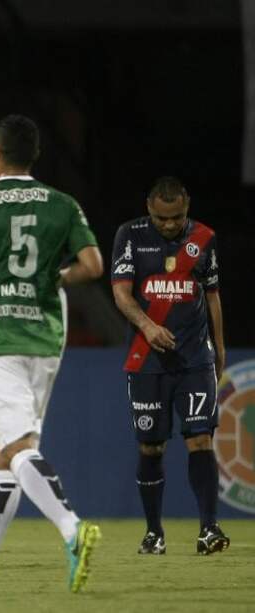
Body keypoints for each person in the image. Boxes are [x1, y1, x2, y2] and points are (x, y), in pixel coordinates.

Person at [0, 114, 103, 595]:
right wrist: (60, 277)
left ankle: (73, 529)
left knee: (16, 450)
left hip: (0, 337)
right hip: (47, 336)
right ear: (34, 156)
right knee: (4, 454)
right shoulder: (63, 204)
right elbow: (92, 265)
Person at [110, 176, 228, 556]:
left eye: (176, 218)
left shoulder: (204, 238)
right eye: (162, 219)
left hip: (194, 358)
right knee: (151, 447)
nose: (170, 225)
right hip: (147, 362)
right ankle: (154, 533)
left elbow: (212, 295)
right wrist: (147, 325)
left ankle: (209, 528)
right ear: (149, 208)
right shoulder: (129, 235)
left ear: (187, 206)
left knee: (200, 438)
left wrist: (219, 348)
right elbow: (120, 292)